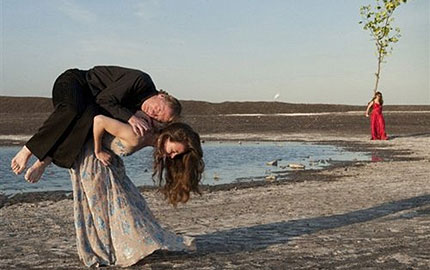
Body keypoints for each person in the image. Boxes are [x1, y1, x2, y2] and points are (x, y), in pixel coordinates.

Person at [71, 113, 204, 267]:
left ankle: (115, 249)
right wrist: (98, 149)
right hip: (92, 161)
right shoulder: (136, 135)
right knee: (101, 209)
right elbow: (99, 120)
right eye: (174, 150)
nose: (173, 157)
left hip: (108, 164)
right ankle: (104, 252)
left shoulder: (152, 136)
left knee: (133, 206)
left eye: (176, 154)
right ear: (168, 138)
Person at [11, 66, 181, 183]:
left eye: (158, 117)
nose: (153, 113)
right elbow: (104, 99)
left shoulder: (142, 112)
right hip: (74, 83)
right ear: (161, 95)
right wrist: (130, 117)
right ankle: (29, 150)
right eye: (158, 109)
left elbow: (103, 114)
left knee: (90, 120)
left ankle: (44, 161)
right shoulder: (141, 80)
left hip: (89, 105)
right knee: (73, 110)